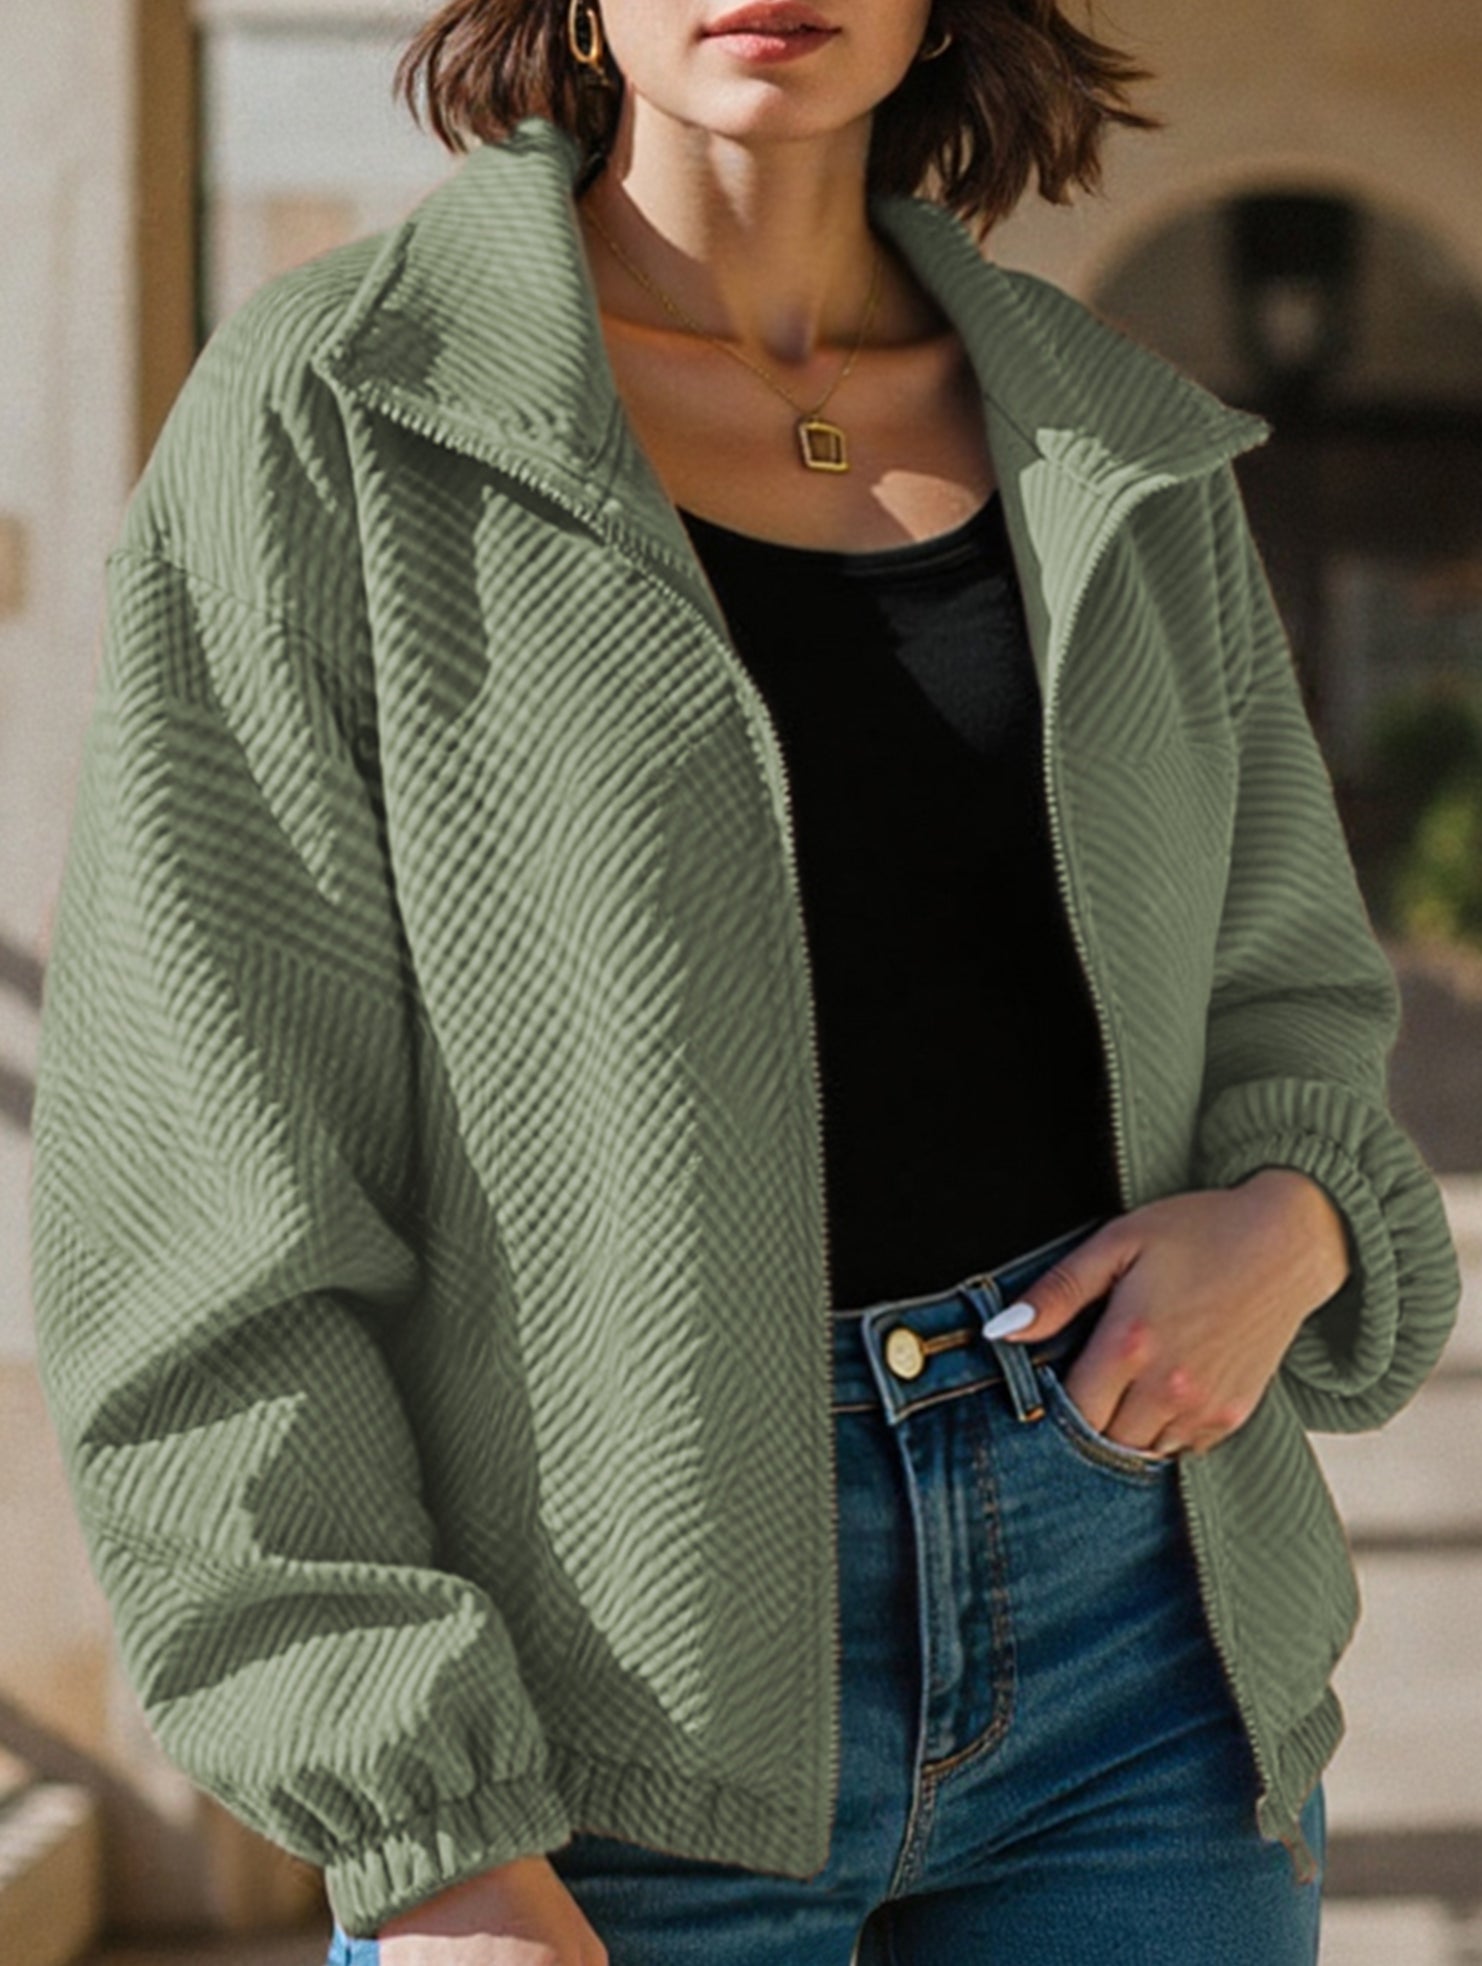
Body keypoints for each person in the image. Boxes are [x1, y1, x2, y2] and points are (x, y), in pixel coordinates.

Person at [27, 2, 1462, 1962]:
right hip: (595, 1696)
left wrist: (1293, 1218)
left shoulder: (1117, 440)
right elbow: (197, 1167)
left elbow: (1285, 990)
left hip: (1136, 1648)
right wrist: (417, 1816)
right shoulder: (341, 409)